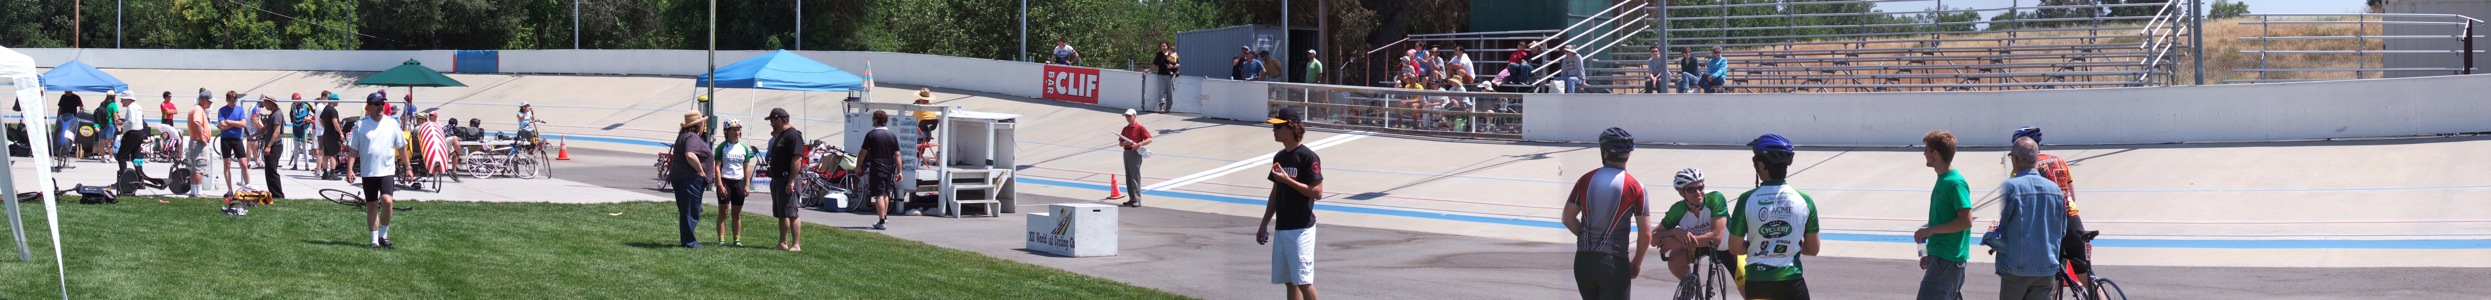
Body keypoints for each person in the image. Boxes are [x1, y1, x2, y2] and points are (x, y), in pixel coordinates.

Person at [1559, 128, 1651, 300]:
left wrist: (1587, 236)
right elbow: (1646, 234)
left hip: (1584, 260)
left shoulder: (1585, 179)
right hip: (1614, 263)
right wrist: (1636, 263)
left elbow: (1568, 218)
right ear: (1628, 154)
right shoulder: (1636, 187)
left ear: (1605, 152)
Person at [1728, 134, 1820, 300]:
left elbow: (1734, 248)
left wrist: (1758, 246)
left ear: (1761, 165)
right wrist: (1790, 245)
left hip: (1757, 281)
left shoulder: (1746, 199)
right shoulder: (1805, 200)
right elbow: (1813, 249)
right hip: (1791, 282)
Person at [1981, 136, 2068, 300]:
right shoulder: (2055, 190)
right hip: (2046, 267)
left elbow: (2005, 233)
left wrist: (1990, 235)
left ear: (2015, 159)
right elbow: (2061, 230)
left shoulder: (2011, 187)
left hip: (2017, 269)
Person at [1254, 107, 1324, 300]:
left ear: (1291, 128)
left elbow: (1317, 193)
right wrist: (1264, 224)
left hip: (1301, 229)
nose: (1274, 131)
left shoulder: (1308, 157)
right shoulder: (1280, 157)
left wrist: (1288, 180)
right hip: (1283, 227)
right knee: (1290, 280)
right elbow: (1275, 193)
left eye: (1278, 127)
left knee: (1303, 280)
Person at [2014, 126, 2089, 287]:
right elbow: (2072, 197)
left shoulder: (2023, 168)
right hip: (2072, 220)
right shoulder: (2059, 160)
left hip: (2049, 227)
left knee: (2049, 281)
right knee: (2085, 277)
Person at [1912, 130, 1974, 300]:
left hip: (1947, 261)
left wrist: (1930, 231)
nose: (1924, 153)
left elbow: (1966, 221)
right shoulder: (1943, 179)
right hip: (1941, 259)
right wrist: (1929, 252)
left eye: (1926, 149)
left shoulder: (1954, 183)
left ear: (1936, 153)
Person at [345, 92, 410, 249]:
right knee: (372, 205)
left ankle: (384, 235)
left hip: (387, 171)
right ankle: (374, 240)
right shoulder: (361, 125)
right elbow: (353, 150)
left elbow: (401, 147)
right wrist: (350, 169)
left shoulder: (392, 124)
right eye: (377, 104)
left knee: (387, 201)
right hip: (368, 172)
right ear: (369, 107)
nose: (380, 106)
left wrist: (408, 167)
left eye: (382, 103)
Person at [1657, 168, 1735, 298]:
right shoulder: (1678, 209)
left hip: (1727, 246)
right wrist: (1675, 231)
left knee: (1749, 291)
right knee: (1675, 258)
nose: (1698, 192)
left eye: (1700, 187)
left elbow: (1716, 238)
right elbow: (1653, 238)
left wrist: (1676, 241)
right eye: (1691, 190)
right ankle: (1690, 286)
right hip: (1698, 245)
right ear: (1681, 193)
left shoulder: (1715, 198)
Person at [668, 111, 716, 249]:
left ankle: (687, 239)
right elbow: (690, 155)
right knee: (691, 209)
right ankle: (689, 241)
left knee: (687, 209)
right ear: (698, 124)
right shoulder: (692, 137)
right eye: (702, 123)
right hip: (689, 178)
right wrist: (701, 171)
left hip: (680, 176)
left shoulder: (682, 136)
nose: (704, 125)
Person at [763, 109, 807, 251]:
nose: (771, 124)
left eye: (772, 121)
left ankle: (796, 244)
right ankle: (782, 242)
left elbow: (797, 159)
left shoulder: (793, 136)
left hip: (788, 178)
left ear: (779, 120)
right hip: (778, 178)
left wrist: (791, 181)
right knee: (782, 212)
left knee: (791, 212)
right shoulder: (781, 135)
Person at [712, 119, 756, 247]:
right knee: (723, 212)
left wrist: (747, 185)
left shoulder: (743, 148)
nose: (737, 132)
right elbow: (717, 167)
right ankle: (721, 239)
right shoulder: (722, 148)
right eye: (734, 129)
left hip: (739, 182)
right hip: (726, 181)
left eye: (738, 129)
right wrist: (720, 185)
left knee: (736, 213)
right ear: (727, 131)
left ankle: (737, 239)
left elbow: (747, 167)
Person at [860, 110, 902, 230]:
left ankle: (882, 221)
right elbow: (897, 155)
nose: (872, 120)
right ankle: (885, 217)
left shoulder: (871, 135)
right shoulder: (892, 136)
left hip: (877, 167)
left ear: (877, 120)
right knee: (885, 193)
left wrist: (858, 166)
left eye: (873, 118)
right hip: (889, 167)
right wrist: (900, 171)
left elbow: (862, 152)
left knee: (878, 194)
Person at [216, 91, 255, 192]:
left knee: (243, 163)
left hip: (237, 139)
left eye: (235, 101)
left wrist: (230, 122)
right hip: (226, 139)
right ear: (227, 100)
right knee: (227, 164)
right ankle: (230, 189)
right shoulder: (222, 110)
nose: (234, 103)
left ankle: (248, 186)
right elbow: (222, 126)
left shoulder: (240, 109)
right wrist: (235, 124)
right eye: (232, 101)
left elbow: (243, 124)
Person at [1115, 109, 1153, 208]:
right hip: (1127, 152)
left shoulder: (1140, 128)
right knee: (1128, 177)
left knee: (1134, 176)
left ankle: (1137, 199)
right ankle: (1132, 199)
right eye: (1126, 116)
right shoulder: (1125, 129)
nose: (1127, 118)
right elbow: (1120, 143)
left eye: (1129, 116)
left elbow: (1149, 139)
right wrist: (1125, 143)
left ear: (1134, 116)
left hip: (1135, 153)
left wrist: (1139, 144)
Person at [182, 90, 215, 195]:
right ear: (203, 101)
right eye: (209, 101)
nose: (211, 103)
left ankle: (193, 191)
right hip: (198, 143)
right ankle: (199, 192)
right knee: (199, 168)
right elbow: (197, 123)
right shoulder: (198, 110)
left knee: (193, 168)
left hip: (194, 141)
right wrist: (201, 137)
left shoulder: (196, 109)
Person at [255, 95, 287, 198]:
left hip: (275, 146)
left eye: (266, 102)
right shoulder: (272, 114)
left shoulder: (277, 115)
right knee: (268, 171)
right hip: (271, 146)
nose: (264, 104)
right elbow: (264, 129)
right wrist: (251, 136)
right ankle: (273, 193)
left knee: (272, 171)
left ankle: (278, 195)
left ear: (271, 103)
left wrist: (268, 146)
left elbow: (277, 132)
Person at [318, 95, 345, 180]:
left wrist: (325, 127)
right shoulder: (332, 110)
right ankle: (332, 174)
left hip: (326, 133)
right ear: (333, 100)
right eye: (337, 100)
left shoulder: (325, 108)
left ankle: (325, 173)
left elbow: (320, 119)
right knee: (333, 154)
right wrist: (340, 133)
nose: (338, 102)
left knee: (326, 154)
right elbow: (335, 122)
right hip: (333, 135)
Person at [1154, 42, 1180, 113]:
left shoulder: (1172, 54)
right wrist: (1148, 70)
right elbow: (1154, 63)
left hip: (1170, 75)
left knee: (1170, 92)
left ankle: (1168, 108)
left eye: (1164, 46)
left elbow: (1178, 64)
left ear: (1167, 46)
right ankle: (1162, 107)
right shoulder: (1159, 54)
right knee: (1161, 91)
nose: (1163, 47)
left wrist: (1173, 66)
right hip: (1161, 74)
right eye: (1161, 46)